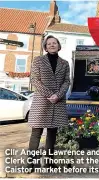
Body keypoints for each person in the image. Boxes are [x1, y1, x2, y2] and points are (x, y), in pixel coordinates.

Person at [26, 35, 70, 172]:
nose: (52, 45)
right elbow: (35, 80)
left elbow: (67, 81)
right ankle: (30, 164)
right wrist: (50, 94)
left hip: (57, 102)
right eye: (49, 43)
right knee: (36, 133)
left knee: (52, 133)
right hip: (42, 102)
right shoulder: (38, 60)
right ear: (45, 47)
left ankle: (49, 163)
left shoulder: (65, 63)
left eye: (54, 43)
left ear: (58, 46)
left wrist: (58, 95)